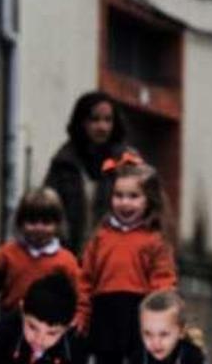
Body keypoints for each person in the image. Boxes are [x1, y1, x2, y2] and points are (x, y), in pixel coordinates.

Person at [78, 162, 177, 364]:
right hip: (105, 314)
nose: (125, 202)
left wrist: (161, 318)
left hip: (139, 315)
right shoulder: (101, 236)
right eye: (119, 195)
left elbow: (163, 281)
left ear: (149, 200)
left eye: (133, 196)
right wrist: (82, 312)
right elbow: (85, 277)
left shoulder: (154, 240)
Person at [43, 91, 141, 253]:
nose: (102, 127)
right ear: (82, 122)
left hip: (115, 254)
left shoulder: (127, 163)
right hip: (71, 256)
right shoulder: (64, 163)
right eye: (94, 119)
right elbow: (48, 210)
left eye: (108, 120)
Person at [0, 187, 85, 318]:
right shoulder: (7, 254)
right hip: (10, 324)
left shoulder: (66, 261)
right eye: (32, 221)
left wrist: (78, 317)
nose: (39, 228)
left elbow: (81, 294)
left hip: (49, 327)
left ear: (57, 224)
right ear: (21, 222)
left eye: (46, 222)